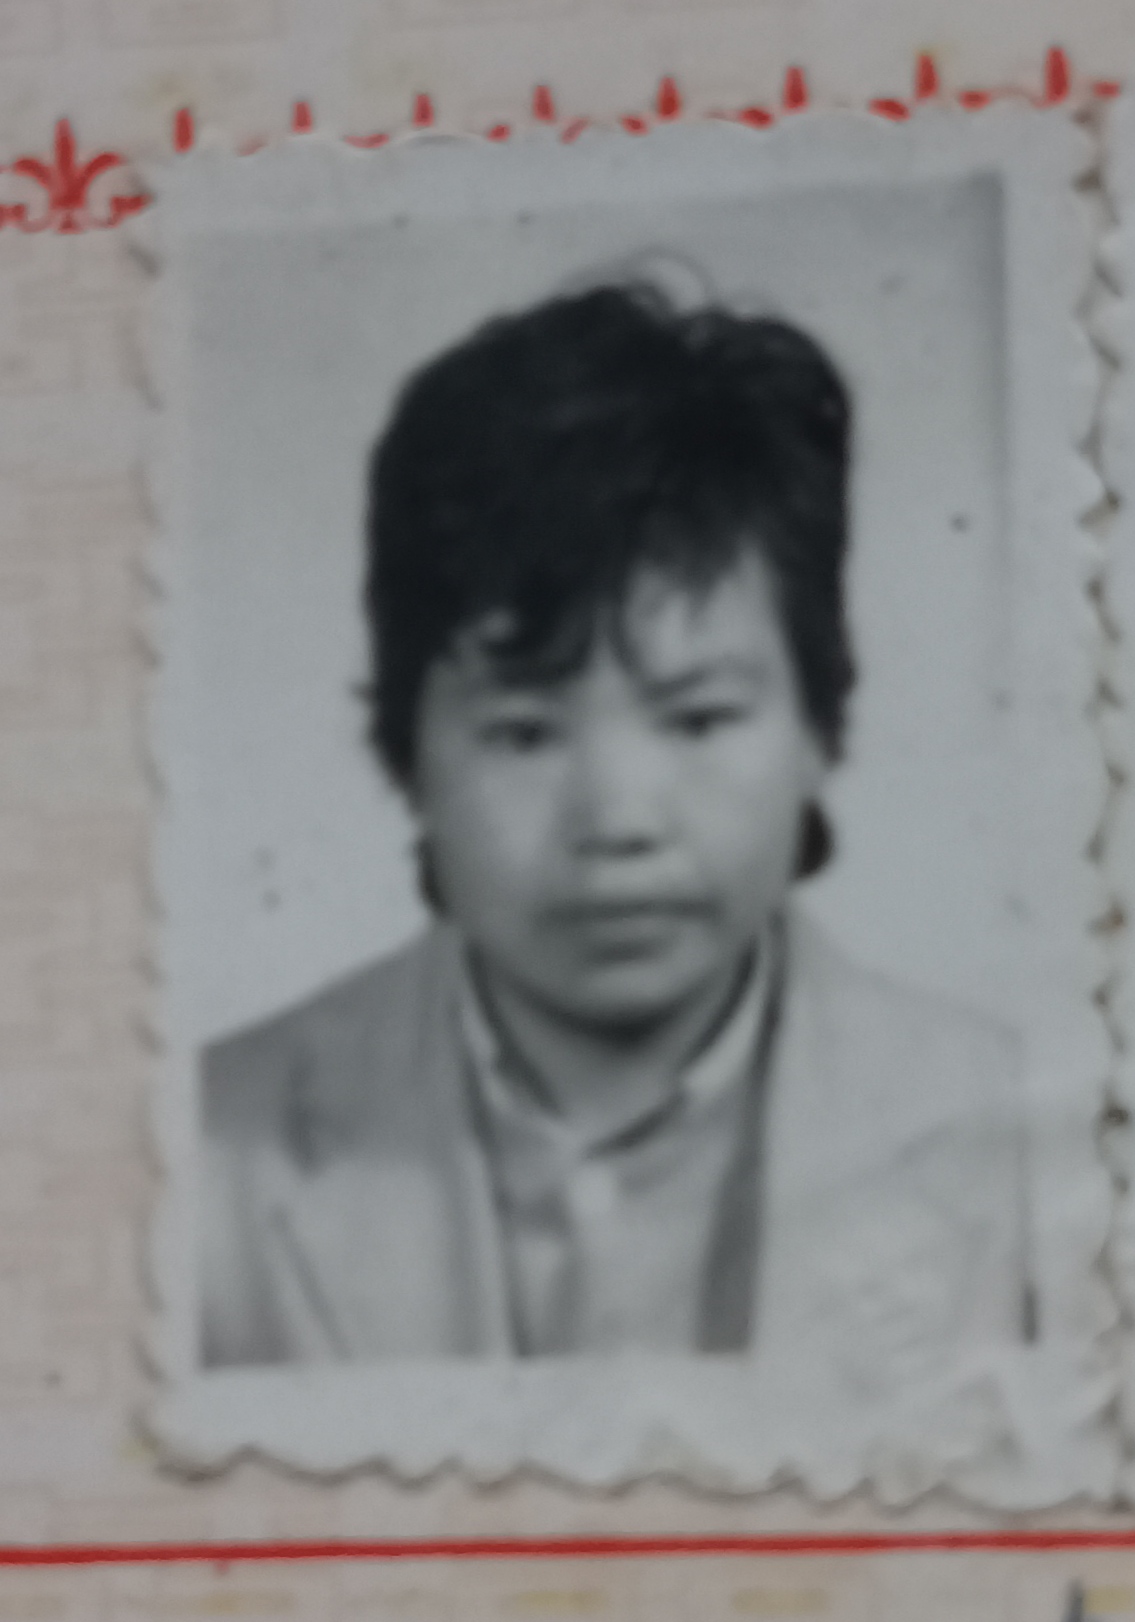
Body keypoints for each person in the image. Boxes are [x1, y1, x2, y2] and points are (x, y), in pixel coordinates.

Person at [200, 283, 1031, 1374]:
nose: (618, 821)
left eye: (698, 718)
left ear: (819, 726)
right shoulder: (202, 1149)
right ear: (406, 755)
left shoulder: (1025, 1133)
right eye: (524, 732)